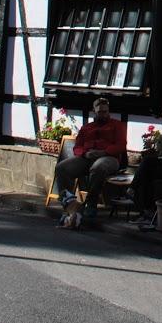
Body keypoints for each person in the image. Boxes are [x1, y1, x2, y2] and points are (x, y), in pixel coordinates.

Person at [53, 96, 127, 229]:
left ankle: (91, 204)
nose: (103, 114)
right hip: (87, 157)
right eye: (100, 112)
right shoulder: (87, 127)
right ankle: (69, 205)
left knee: (98, 168)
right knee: (62, 168)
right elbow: (77, 147)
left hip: (109, 157)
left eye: (105, 111)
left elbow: (121, 145)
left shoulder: (118, 125)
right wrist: (85, 153)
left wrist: (104, 152)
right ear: (94, 112)